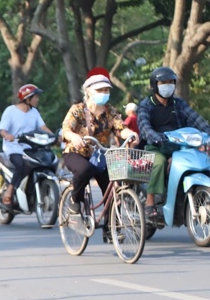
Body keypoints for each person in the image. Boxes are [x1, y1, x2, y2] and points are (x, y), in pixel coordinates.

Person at [60, 70, 138, 241]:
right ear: (88, 91)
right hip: (76, 152)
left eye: (106, 90)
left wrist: (129, 133)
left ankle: (111, 230)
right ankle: (75, 203)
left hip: (100, 154)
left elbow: (120, 127)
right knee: (84, 169)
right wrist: (74, 137)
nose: (104, 94)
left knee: (112, 186)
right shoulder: (78, 110)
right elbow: (66, 129)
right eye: (100, 90)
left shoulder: (110, 111)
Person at [134, 66, 210, 221]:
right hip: (156, 146)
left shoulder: (178, 104)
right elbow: (144, 127)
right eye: (163, 82)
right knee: (160, 163)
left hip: (180, 146)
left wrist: (208, 134)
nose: (167, 85)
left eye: (171, 82)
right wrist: (157, 137)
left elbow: (196, 119)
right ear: (155, 85)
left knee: (201, 159)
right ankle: (150, 202)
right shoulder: (146, 105)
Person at [0, 84, 55, 208]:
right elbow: (2, 129)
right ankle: (9, 192)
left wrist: (54, 136)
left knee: (48, 161)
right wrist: (7, 135)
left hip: (30, 148)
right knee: (21, 165)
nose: (37, 100)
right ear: (27, 98)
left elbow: (43, 127)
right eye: (35, 97)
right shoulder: (11, 110)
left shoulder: (34, 112)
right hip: (14, 148)